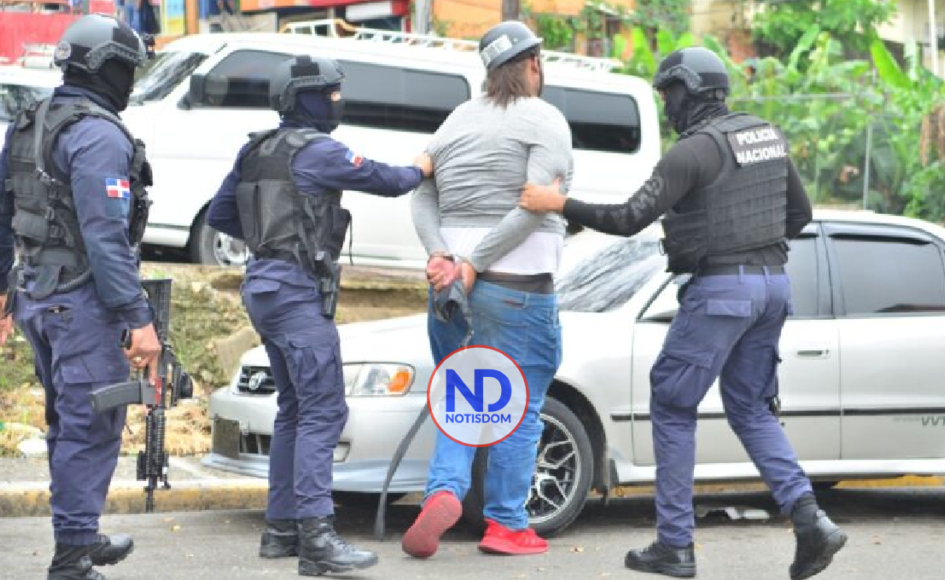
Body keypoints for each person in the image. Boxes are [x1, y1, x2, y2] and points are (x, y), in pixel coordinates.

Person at [519, 47, 846, 580]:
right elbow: (801, 214)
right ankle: (812, 521)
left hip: (722, 289)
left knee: (671, 403)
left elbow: (627, 218)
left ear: (689, 91)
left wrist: (557, 203)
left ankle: (675, 545)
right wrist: (751, 250)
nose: (666, 104)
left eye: (668, 92)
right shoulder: (764, 136)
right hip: (774, 286)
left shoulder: (691, 153)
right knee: (752, 410)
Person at [205, 55, 433, 576]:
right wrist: (421, 168)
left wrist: (271, 236)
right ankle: (317, 539)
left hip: (261, 284)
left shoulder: (254, 149)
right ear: (306, 97)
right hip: (293, 290)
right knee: (323, 410)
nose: (336, 100)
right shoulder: (318, 151)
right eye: (329, 93)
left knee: (294, 408)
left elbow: (221, 214)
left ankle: (281, 529)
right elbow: (386, 179)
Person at [0, 15, 160, 580]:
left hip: (37, 296)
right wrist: (139, 319)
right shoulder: (99, 134)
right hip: (82, 303)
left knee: (70, 421)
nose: (130, 80)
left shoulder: (32, 120)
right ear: (106, 69)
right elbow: (106, 238)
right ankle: (72, 562)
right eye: (127, 69)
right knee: (91, 427)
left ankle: (80, 532)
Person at [401, 20, 573, 559]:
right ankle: (506, 523)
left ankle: (444, 493)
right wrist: (474, 262)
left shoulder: (456, 120)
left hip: (449, 289)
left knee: (463, 399)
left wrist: (439, 254)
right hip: (517, 290)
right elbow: (533, 205)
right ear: (533, 65)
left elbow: (419, 190)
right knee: (520, 406)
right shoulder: (545, 119)